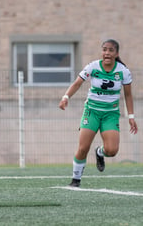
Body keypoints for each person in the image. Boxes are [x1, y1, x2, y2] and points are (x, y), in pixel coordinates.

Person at [59, 39, 138, 187]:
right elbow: (77, 83)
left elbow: (128, 95)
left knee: (112, 150)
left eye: (111, 50)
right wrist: (65, 97)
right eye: (104, 49)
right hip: (92, 111)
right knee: (83, 148)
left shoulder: (123, 71)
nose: (107, 53)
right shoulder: (92, 67)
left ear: (116, 53)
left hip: (111, 114)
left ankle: (100, 152)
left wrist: (131, 117)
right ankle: (76, 180)